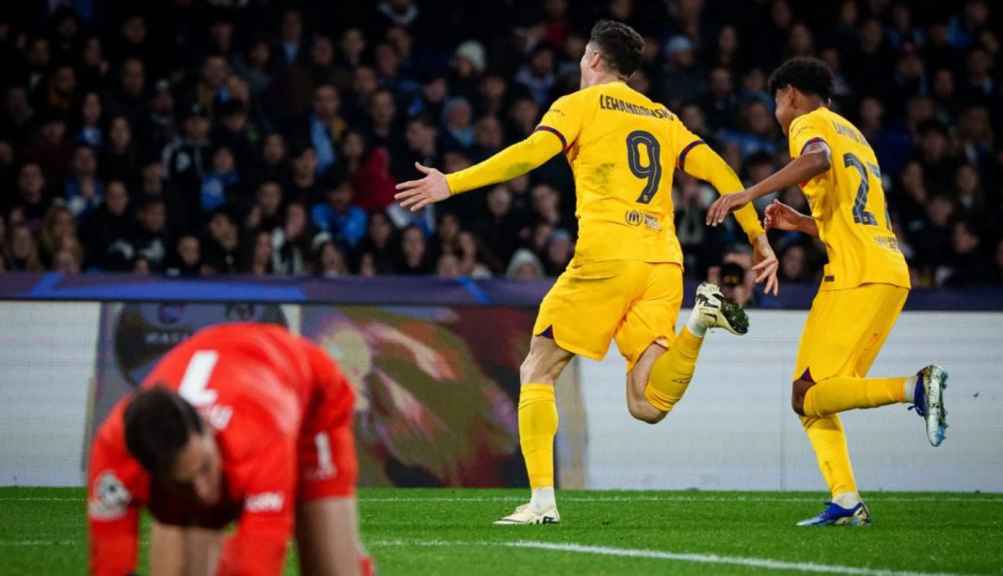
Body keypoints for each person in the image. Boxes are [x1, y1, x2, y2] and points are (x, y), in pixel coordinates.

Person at [396, 20, 779, 525]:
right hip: (663, 262)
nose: (580, 64)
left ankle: (541, 502)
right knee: (648, 402)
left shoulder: (577, 105)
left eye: (582, 57)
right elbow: (723, 176)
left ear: (595, 60)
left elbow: (530, 154)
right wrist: (757, 238)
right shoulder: (663, 117)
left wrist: (454, 184)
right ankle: (700, 321)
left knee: (537, 368)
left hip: (608, 256)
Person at [706, 57, 948, 526]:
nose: (778, 111)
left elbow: (816, 159)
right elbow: (854, 217)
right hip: (884, 269)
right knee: (813, 394)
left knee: (809, 394)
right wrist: (800, 222)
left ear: (790, 94)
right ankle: (845, 500)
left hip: (857, 276)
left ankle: (915, 386)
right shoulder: (855, 134)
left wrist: (747, 193)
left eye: (777, 100)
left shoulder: (808, 122)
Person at [87, 323, 373, 575]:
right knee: (180, 530)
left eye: (205, 469)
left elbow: (258, 562)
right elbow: (110, 564)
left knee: (328, 565)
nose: (204, 492)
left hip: (308, 392)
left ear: (209, 429)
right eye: (185, 482)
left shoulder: (262, 436)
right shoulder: (114, 455)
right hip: (232, 381)